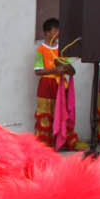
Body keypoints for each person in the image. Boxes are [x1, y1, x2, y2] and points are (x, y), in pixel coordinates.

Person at [32, 18, 77, 148]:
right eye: (55, 30)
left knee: (63, 113)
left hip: (61, 84)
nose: (58, 33)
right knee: (46, 114)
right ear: (46, 33)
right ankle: (45, 144)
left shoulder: (63, 48)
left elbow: (70, 69)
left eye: (58, 30)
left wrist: (68, 69)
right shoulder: (41, 50)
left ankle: (63, 141)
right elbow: (38, 71)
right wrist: (54, 70)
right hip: (46, 84)